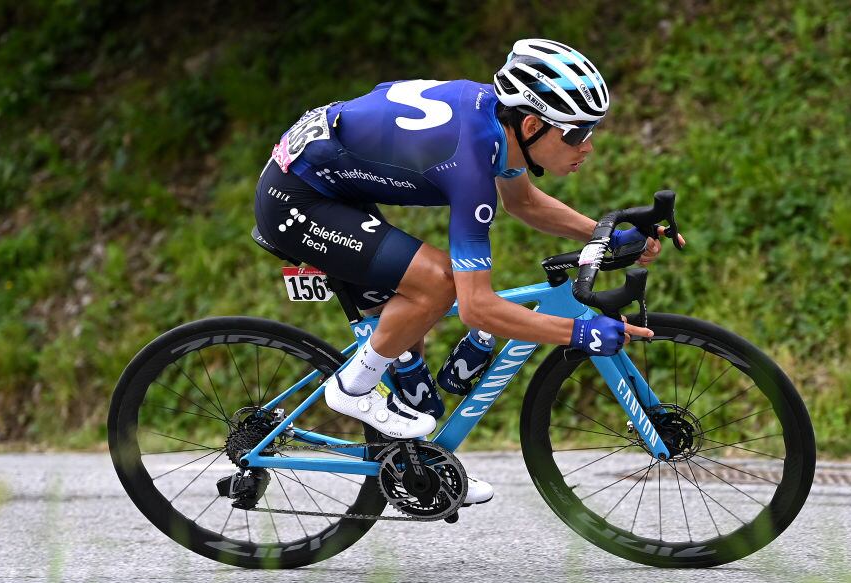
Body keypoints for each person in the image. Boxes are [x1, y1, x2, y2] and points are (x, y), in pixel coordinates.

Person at [253, 38, 683, 506]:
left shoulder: (499, 123)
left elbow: (523, 202)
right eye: (577, 134)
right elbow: (478, 308)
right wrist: (579, 333)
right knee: (436, 281)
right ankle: (351, 388)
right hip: (297, 199)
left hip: (333, 175)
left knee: (411, 339)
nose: (589, 147)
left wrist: (605, 235)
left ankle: (421, 461)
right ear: (535, 124)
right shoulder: (470, 164)